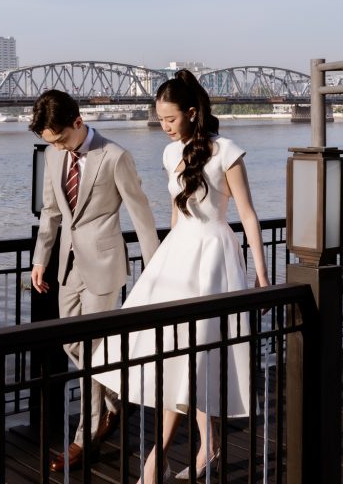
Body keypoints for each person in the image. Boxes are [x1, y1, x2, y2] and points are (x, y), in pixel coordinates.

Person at [93, 70, 270, 484]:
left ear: (192, 112)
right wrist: (161, 264)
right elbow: (176, 213)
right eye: (160, 119)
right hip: (179, 256)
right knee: (176, 354)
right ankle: (205, 446)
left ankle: (158, 461)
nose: (164, 126)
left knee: (194, 354)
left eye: (170, 119)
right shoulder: (170, 154)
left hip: (214, 257)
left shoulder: (227, 151)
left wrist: (261, 275)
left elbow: (247, 215)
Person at [29, 89, 161, 472]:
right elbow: (51, 213)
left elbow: (141, 216)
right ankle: (115, 401)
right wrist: (40, 260)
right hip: (67, 267)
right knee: (71, 342)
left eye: (60, 138)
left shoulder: (115, 156)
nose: (57, 147)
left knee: (89, 352)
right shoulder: (54, 156)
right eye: (50, 142)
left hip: (104, 266)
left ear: (78, 121)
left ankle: (83, 439)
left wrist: (154, 271)